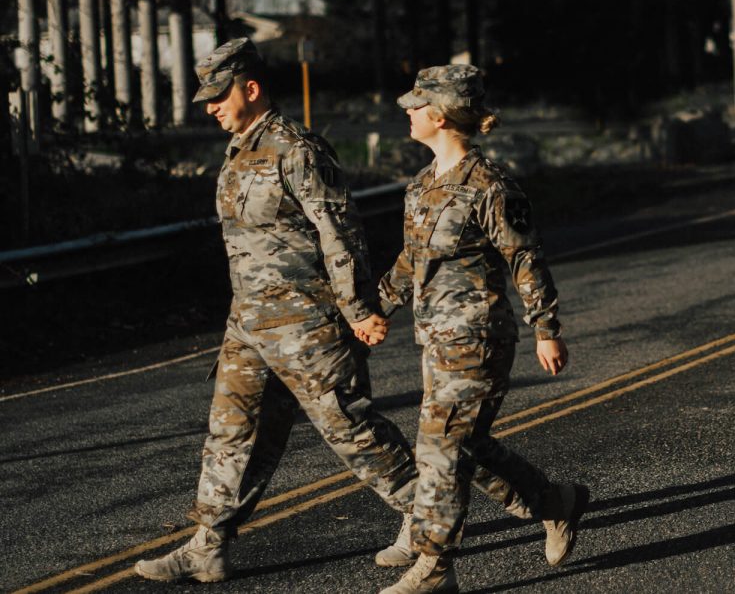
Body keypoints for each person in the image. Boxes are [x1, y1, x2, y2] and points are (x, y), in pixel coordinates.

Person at [134, 38, 419, 584]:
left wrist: (358, 308)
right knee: (230, 431)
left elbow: (340, 233)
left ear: (252, 88)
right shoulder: (239, 150)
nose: (211, 106)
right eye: (207, 99)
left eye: (219, 95)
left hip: (307, 323)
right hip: (248, 322)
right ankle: (207, 545)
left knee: (347, 427)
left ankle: (423, 516)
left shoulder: (298, 149)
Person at [372, 64, 588, 594]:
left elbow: (525, 257)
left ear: (441, 116)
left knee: (441, 448)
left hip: (479, 338)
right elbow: (411, 259)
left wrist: (546, 327)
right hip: (434, 338)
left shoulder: (490, 185)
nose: (408, 112)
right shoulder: (422, 185)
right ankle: (555, 502)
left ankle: (435, 566)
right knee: (468, 445)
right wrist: (376, 307)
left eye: (416, 105)